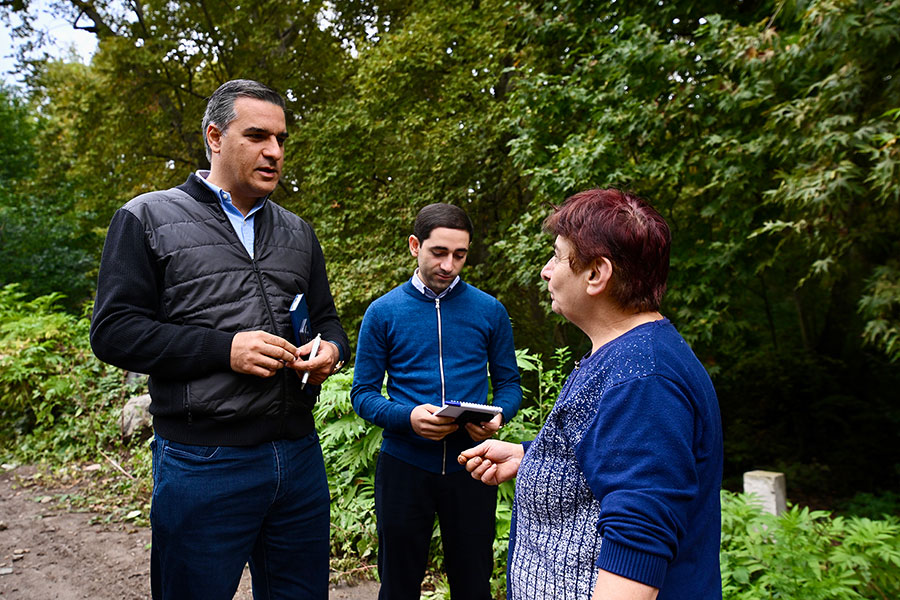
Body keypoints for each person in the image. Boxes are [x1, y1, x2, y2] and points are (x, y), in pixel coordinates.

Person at [90, 79, 349, 600]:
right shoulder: (146, 217)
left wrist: (331, 351)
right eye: (257, 136)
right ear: (214, 136)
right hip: (204, 461)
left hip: (299, 456)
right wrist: (223, 349)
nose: (274, 152)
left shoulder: (298, 232)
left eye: (280, 139)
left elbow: (327, 319)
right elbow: (113, 331)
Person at [459, 189, 723, 600]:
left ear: (597, 274)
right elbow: (613, 458)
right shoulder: (628, 356)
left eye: (557, 257)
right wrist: (533, 458)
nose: (546, 271)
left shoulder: (643, 379)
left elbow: (639, 541)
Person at [351, 203, 522, 600]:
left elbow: (510, 384)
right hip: (404, 465)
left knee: (473, 584)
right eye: (439, 252)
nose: (449, 265)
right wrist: (408, 417)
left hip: (473, 465)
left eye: (459, 255)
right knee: (398, 585)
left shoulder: (490, 310)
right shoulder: (383, 312)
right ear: (415, 245)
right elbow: (362, 394)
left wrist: (498, 415)